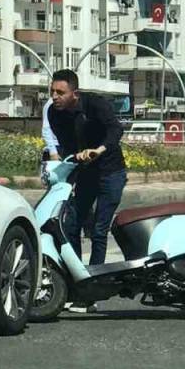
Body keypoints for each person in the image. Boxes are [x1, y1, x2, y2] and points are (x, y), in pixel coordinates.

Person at [44, 69, 128, 313]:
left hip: (111, 172)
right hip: (86, 172)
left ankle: (92, 292)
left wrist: (99, 149)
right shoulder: (54, 113)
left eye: (60, 92)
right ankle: (78, 279)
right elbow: (67, 144)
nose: (55, 97)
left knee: (99, 229)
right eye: (52, 92)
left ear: (75, 94)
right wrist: (71, 163)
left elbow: (116, 130)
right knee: (72, 225)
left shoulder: (96, 104)